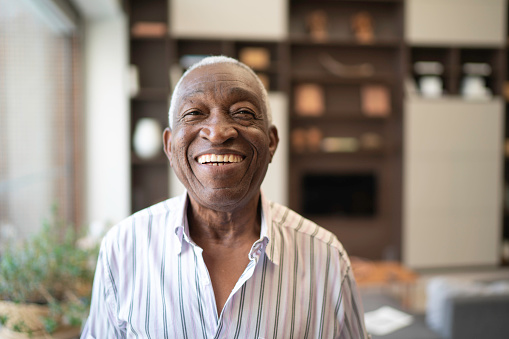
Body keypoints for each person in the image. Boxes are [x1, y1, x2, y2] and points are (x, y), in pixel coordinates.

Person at [81, 56, 370, 338]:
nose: (217, 132)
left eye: (242, 112)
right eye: (194, 113)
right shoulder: (123, 248)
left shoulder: (326, 258)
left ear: (271, 142)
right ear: (170, 146)